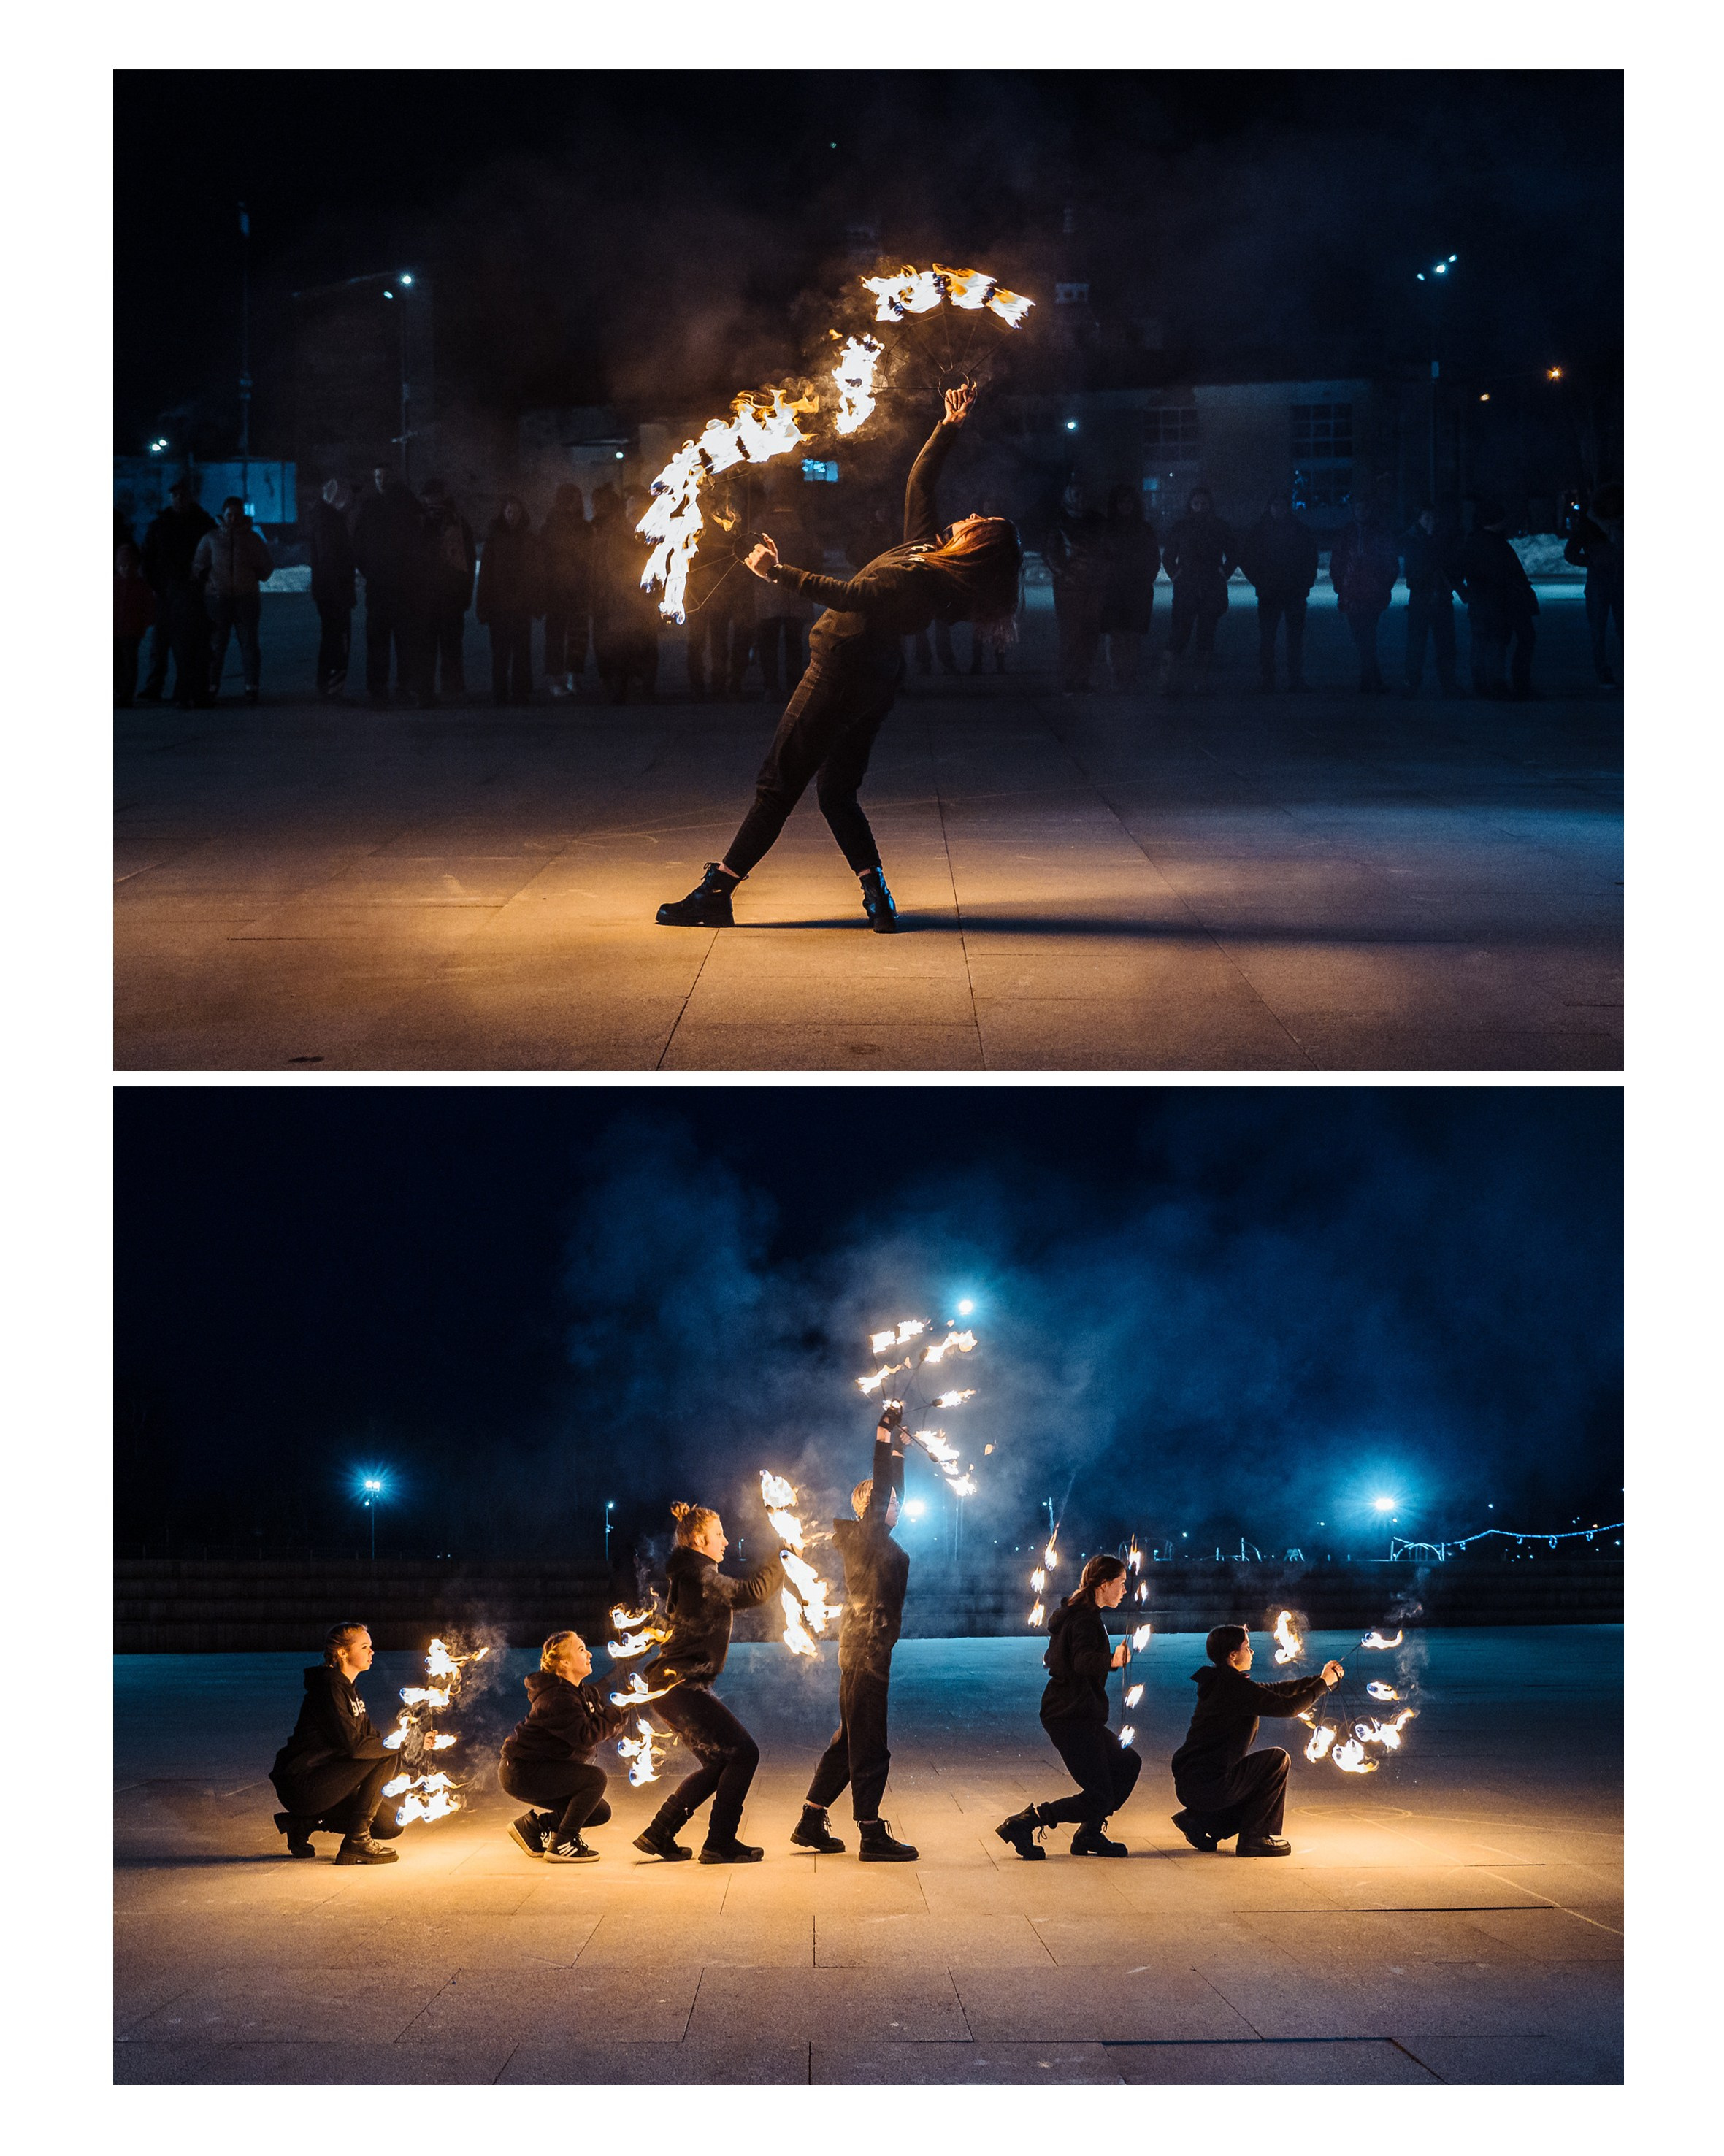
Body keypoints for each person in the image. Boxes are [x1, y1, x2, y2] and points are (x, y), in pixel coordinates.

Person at [655, 382, 1021, 935]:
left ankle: (717, 892)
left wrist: (777, 572)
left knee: (777, 785)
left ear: (974, 545)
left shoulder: (920, 574)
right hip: (875, 682)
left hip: (841, 675)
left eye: (977, 523)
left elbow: (853, 597)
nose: (969, 514)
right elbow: (920, 481)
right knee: (835, 792)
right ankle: (877, 895)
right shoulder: (926, 557)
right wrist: (948, 426)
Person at [793, 1405, 916, 1862]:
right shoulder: (866, 1538)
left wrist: (900, 1448)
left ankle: (811, 1818)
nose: (896, 1506)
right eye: (888, 1501)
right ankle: (870, 1831)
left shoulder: (874, 1541)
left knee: (849, 1737)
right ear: (867, 1508)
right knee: (869, 1742)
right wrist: (885, 1438)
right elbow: (884, 1485)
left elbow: (890, 1487)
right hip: (865, 1651)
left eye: (897, 1502)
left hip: (863, 1649)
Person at [633, 1501, 785, 1864]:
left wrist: (686, 1521)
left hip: (674, 1687)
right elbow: (752, 1593)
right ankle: (719, 1842)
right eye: (718, 1534)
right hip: (680, 1686)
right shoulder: (701, 1576)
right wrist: (782, 1557)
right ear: (700, 1540)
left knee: (719, 1764)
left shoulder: (690, 1572)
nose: (726, 1541)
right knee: (744, 1753)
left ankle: (659, 1833)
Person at [996, 1555, 1141, 1860]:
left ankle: (1088, 1833)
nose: (1125, 1590)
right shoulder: (1084, 1620)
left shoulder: (1083, 1614)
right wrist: (1112, 1660)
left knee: (1128, 1763)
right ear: (1104, 1585)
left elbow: (1064, 1659)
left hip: (1079, 1713)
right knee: (1099, 1795)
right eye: (1121, 1583)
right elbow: (1082, 1661)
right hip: (1070, 1716)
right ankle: (1025, 1822)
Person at [1169, 1624, 1343, 1857]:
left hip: (1194, 1783)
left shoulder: (1220, 1681)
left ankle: (1200, 1822)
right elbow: (1288, 1707)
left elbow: (1277, 1690)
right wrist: (1322, 1684)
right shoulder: (1234, 1687)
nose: (1252, 1653)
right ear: (1233, 1655)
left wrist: (1322, 1680)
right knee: (1277, 1761)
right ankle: (1255, 1837)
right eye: (1247, 1648)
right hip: (1209, 1786)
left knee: (1253, 1780)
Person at [268, 1621, 405, 1865]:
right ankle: (357, 1840)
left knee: (391, 1826)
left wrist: (414, 1740)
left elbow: (372, 1739)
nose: (372, 1652)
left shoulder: (350, 1689)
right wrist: (398, 1745)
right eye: (364, 1647)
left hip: (328, 1784)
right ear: (342, 1653)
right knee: (388, 1753)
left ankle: (302, 1823)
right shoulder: (329, 1688)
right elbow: (356, 1746)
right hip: (304, 1783)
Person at [498, 1629, 629, 1862]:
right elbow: (586, 1735)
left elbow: (600, 1726)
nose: (589, 1654)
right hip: (521, 1772)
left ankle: (533, 1827)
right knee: (596, 1778)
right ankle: (563, 1842)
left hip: (543, 1768)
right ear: (564, 1662)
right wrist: (614, 1716)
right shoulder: (556, 1698)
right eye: (581, 1650)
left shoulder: (580, 1692)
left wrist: (622, 1709)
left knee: (599, 1811)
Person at [353, 466, 429, 705]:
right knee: (398, 642)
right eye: (377, 476)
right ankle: (395, 687)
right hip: (394, 587)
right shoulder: (397, 507)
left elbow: (359, 548)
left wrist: (373, 572)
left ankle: (383, 688)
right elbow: (360, 548)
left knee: (386, 641)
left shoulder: (375, 509)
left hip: (390, 587)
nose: (381, 481)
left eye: (383, 477)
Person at [139, 478, 216, 706]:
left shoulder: (202, 522)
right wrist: (156, 586)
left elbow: (213, 553)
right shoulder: (160, 525)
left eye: (183, 496)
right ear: (171, 498)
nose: (179, 500)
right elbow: (148, 558)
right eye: (175, 496)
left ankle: (187, 688)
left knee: (191, 643)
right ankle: (156, 685)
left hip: (193, 592)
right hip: (167, 591)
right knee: (161, 641)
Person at [192, 496, 273, 705]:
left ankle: (251, 687)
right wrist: (210, 582)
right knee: (217, 645)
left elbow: (266, 565)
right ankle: (211, 686)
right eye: (229, 515)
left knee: (249, 644)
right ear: (223, 515)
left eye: (237, 515)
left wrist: (256, 574)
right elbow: (199, 564)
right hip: (219, 600)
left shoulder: (252, 539)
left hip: (246, 599)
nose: (233, 519)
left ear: (242, 516)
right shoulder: (211, 538)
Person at [1236, 491, 1319, 693]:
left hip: (1293, 592)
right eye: (1275, 506)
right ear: (1270, 507)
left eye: (1282, 506)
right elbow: (1246, 558)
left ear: (1287, 508)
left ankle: (1295, 679)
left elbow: (1310, 559)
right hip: (1270, 593)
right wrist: (1260, 582)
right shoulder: (1260, 531)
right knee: (1268, 638)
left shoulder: (1299, 531)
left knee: (1294, 638)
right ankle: (1269, 679)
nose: (1279, 510)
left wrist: (1304, 584)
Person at [1457, 502, 1540, 700]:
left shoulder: (1480, 542)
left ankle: (1488, 683)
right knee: (1494, 642)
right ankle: (1495, 683)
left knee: (1486, 642)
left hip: (1490, 602)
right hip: (1495, 602)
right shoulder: (1492, 544)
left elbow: (1460, 570)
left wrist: (1467, 592)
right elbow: (1503, 574)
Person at [1160, 488, 1235, 696]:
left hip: (1211, 587)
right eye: (1196, 503)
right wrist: (1177, 575)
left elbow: (1234, 553)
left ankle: (1201, 682)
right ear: (1190, 504)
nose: (1200, 507)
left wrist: (1224, 573)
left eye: (1204, 503)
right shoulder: (1182, 527)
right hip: (1187, 588)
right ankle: (1169, 681)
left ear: (1210, 504)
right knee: (1179, 634)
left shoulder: (1220, 527)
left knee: (1206, 634)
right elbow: (1168, 557)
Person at [1328, 495, 1401, 694]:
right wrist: (1340, 586)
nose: (1361, 512)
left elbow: (1390, 562)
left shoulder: (1378, 533)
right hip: (1353, 593)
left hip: (1372, 593)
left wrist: (1384, 586)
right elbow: (1337, 562)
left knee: (1365, 637)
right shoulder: (1347, 534)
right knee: (1364, 637)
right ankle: (1371, 679)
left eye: (1364, 508)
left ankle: (1369, 679)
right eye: (1358, 508)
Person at [751, 476, 814, 699]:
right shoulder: (765, 523)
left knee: (788, 643)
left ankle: (788, 685)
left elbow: (811, 555)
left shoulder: (792, 523)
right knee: (779, 643)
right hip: (776, 593)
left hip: (787, 592)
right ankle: (777, 685)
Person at [475, 496, 540, 706]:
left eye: (516, 512)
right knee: (501, 654)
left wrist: (535, 600)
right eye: (509, 511)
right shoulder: (495, 540)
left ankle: (519, 692)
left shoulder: (527, 538)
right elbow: (486, 574)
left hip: (520, 604)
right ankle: (501, 692)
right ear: (503, 513)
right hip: (500, 606)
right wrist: (484, 606)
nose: (512, 516)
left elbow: (535, 572)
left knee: (521, 652)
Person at [1043, 480, 1106, 694]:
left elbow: (1106, 550)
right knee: (1071, 635)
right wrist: (1064, 574)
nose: (1081, 500)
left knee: (1091, 634)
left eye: (1084, 495)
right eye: (1077, 495)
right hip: (1068, 589)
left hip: (1094, 586)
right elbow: (1050, 554)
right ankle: (1068, 679)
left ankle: (1084, 679)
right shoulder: (1060, 522)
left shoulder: (1097, 521)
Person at [1096, 485, 1160, 691]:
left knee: (1133, 634)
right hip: (1113, 589)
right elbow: (1099, 557)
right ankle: (1117, 674)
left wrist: (1146, 579)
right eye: (1121, 502)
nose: (1125, 506)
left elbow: (1153, 558)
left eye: (1129, 502)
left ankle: (1130, 674)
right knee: (1115, 634)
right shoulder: (1107, 529)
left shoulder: (1144, 529)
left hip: (1137, 589)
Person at [420, 477, 476, 701]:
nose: (430, 501)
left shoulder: (454, 523)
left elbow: (468, 562)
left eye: (432, 496)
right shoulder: (450, 522)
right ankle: (438, 690)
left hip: (446, 596)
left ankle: (442, 690)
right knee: (438, 646)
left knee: (444, 647)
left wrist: (464, 594)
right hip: (438, 596)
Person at [1400, 504, 1463, 699]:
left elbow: (1452, 565)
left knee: (1445, 645)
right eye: (1425, 517)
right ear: (1418, 519)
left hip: (1441, 597)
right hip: (1421, 598)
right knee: (1416, 645)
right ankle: (1412, 682)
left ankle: (1448, 683)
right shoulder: (1412, 539)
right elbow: (1415, 569)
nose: (1430, 521)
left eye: (1432, 517)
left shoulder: (1441, 538)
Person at [1563, 483, 1623, 686]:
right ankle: (1603, 671)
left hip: (1620, 582)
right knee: (1598, 630)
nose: (1612, 506)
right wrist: (1592, 561)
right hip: (1600, 583)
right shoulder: (1589, 525)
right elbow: (1570, 553)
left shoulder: (1621, 524)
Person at [540, 483, 591, 699]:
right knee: (557, 638)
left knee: (577, 636)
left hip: (578, 590)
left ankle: (572, 676)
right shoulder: (552, 527)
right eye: (573, 499)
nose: (577, 503)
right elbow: (546, 562)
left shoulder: (582, 527)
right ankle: (557, 679)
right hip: (558, 592)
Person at [308, 478, 357, 701]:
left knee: (331, 639)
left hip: (329, 593)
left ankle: (326, 686)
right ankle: (334, 690)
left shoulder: (324, 519)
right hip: (335, 594)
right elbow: (330, 560)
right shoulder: (329, 522)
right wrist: (341, 594)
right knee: (339, 641)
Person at [115, 541, 156, 707]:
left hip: (131, 630)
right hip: (117, 629)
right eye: (122, 565)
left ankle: (125, 695)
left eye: (129, 565)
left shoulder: (141, 586)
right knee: (118, 662)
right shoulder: (114, 584)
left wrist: (145, 624)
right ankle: (119, 692)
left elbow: (149, 608)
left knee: (128, 662)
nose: (125, 569)